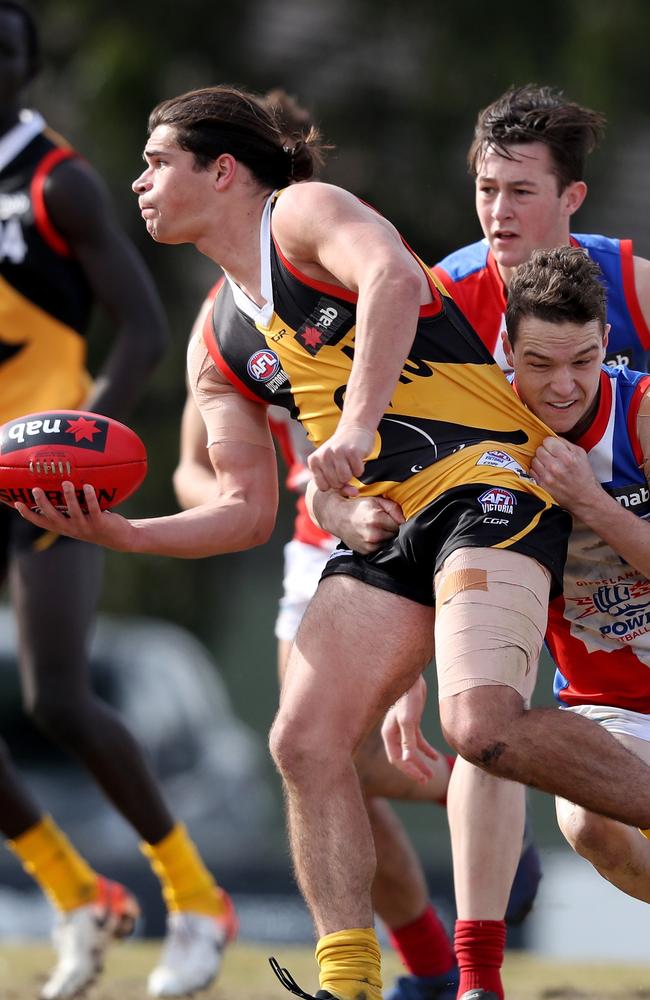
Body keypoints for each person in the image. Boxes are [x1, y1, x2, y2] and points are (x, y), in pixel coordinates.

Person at [14, 84, 650, 1000]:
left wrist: (350, 433)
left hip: (488, 482)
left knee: (480, 728)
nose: (139, 182)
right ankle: (347, 981)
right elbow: (244, 509)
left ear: (221, 170)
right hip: (388, 526)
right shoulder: (218, 340)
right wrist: (122, 531)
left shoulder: (301, 214)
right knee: (305, 744)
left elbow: (392, 277)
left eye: (158, 163)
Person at [0, 5, 236, 998]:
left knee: (57, 697)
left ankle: (194, 898)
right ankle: (77, 893)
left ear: (24, 64)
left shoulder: (61, 181)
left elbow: (140, 328)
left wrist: (68, 452)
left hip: (37, 474)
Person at [377, 246, 650, 999]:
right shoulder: (472, 433)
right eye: (540, 363)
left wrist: (592, 504)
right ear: (505, 351)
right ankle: (476, 979)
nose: (564, 386)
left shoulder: (643, 415)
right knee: (577, 818)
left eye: (585, 361)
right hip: (605, 708)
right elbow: (412, 552)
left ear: (606, 345)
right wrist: (403, 678)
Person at [433, 84, 650, 374]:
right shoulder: (445, 298)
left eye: (521, 192)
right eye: (487, 189)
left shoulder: (634, 286)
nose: (499, 211)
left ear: (572, 198)